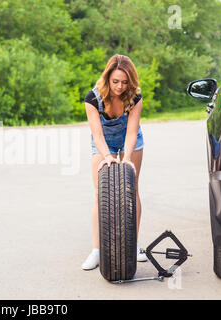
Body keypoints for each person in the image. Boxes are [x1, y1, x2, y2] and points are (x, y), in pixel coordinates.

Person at [81, 54, 148, 270]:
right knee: (101, 194)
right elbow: (97, 135)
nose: (119, 87)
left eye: (125, 82)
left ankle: (133, 245)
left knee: (132, 189)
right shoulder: (92, 98)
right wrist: (108, 157)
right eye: (115, 81)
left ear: (131, 81)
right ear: (108, 78)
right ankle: (97, 250)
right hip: (103, 142)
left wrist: (126, 158)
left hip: (130, 139)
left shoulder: (135, 97)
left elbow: (131, 132)